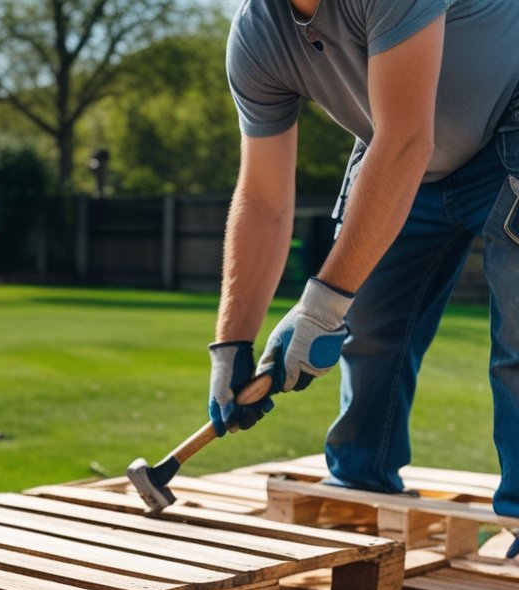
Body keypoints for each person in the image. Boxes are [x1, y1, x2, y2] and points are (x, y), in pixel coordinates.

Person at [207, 0, 519, 555]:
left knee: (518, 340)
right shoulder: (257, 39)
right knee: (369, 330)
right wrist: (231, 344)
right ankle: (358, 489)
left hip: (504, 122)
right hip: (403, 148)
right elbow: (262, 199)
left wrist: (320, 307)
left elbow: (404, 140)